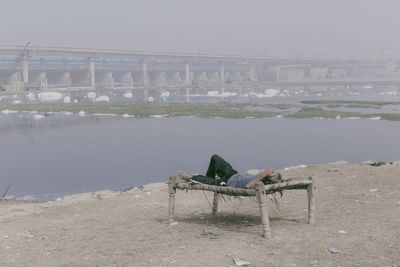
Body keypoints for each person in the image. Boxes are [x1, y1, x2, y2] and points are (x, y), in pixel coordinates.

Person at [178, 154, 282, 189]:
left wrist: (265, 173)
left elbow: (248, 186)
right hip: (233, 174)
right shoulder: (262, 177)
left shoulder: (260, 182)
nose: (273, 172)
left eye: (274, 173)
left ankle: (190, 178)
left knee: (207, 182)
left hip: (227, 183)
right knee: (215, 158)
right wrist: (265, 173)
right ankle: (208, 178)